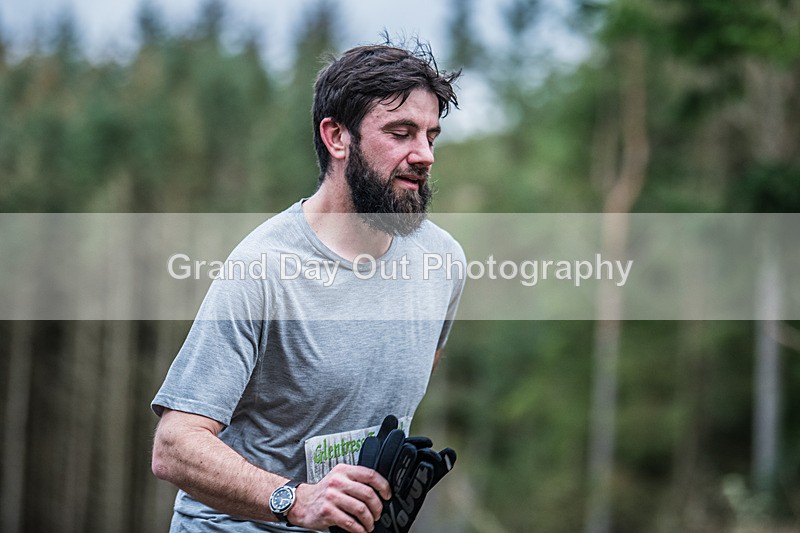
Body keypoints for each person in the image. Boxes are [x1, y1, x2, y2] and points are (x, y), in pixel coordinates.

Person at [151, 39, 464, 533]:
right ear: (337, 137)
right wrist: (295, 500)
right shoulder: (262, 267)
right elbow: (174, 445)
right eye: (401, 133)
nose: (424, 155)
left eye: (431, 135)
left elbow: (410, 369)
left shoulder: (442, 261)